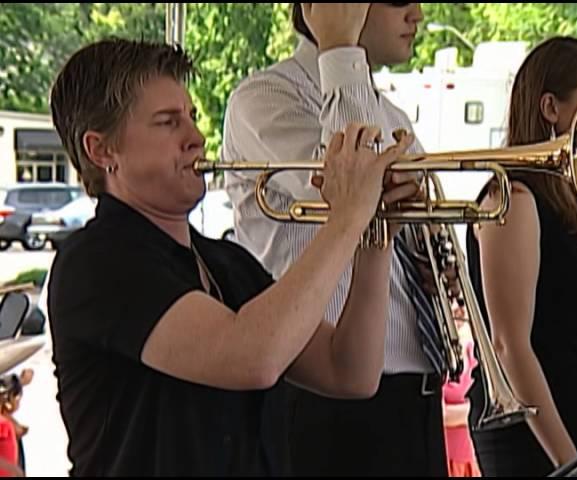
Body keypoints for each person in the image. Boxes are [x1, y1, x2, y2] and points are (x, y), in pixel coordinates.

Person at [46, 38, 419, 476]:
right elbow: (252, 358)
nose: (196, 137)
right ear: (101, 150)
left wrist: (375, 239)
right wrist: (347, 219)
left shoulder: (227, 263)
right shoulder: (96, 263)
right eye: (168, 123)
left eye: (192, 117)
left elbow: (350, 372)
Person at [222, 3, 449, 476]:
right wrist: (339, 46)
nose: (417, 14)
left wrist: (435, 259)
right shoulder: (265, 96)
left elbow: (411, 223)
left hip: (415, 391)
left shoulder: (389, 111)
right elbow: (348, 186)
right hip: (323, 397)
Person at [465, 36, 577, 477]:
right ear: (551, 109)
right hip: (540, 443)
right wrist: (571, 465)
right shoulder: (514, 198)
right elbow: (510, 345)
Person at [442, 315, 481, 477]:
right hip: (447, 461)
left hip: (471, 460)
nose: (457, 310)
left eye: (460, 302)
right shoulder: (436, 355)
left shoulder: (474, 354)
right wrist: (474, 410)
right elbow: (442, 415)